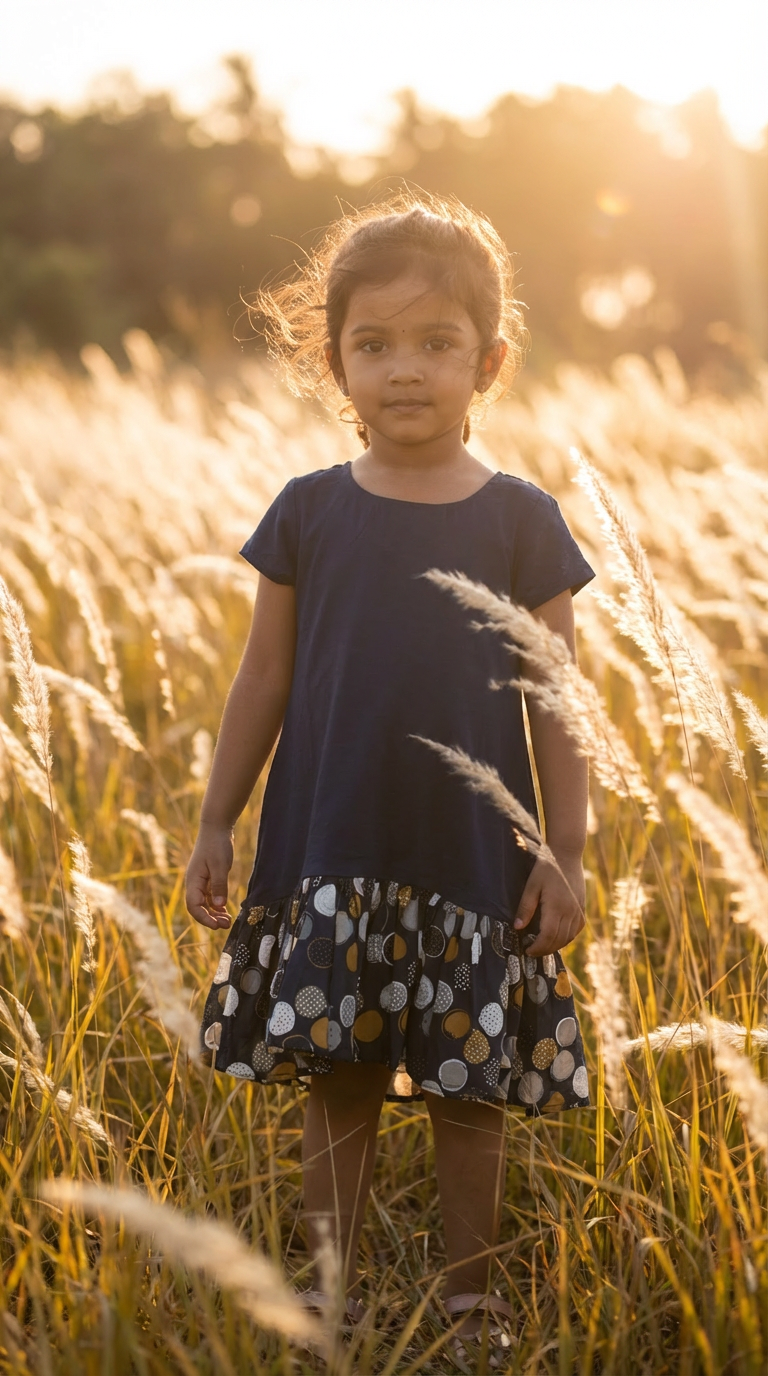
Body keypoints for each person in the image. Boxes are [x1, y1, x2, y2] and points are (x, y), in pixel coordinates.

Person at [187, 190, 595, 1361]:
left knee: (471, 1098)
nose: (403, 369)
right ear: (334, 363)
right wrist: (219, 819)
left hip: (472, 861)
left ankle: (470, 1300)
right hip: (331, 852)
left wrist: (565, 850)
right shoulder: (309, 512)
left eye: (435, 343)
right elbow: (260, 680)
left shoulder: (523, 523)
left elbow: (562, 706)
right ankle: (326, 1291)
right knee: (344, 1083)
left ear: (488, 361)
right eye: (373, 344)